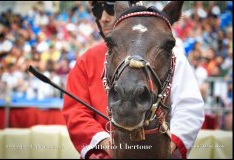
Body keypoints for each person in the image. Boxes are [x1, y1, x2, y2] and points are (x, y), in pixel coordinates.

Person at [62, 1, 205, 159]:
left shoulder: (174, 57)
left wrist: (168, 148)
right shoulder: (86, 61)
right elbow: (76, 112)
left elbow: (189, 107)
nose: (103, 18)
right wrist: (105, 143)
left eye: (110, 8)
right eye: (97, 10)